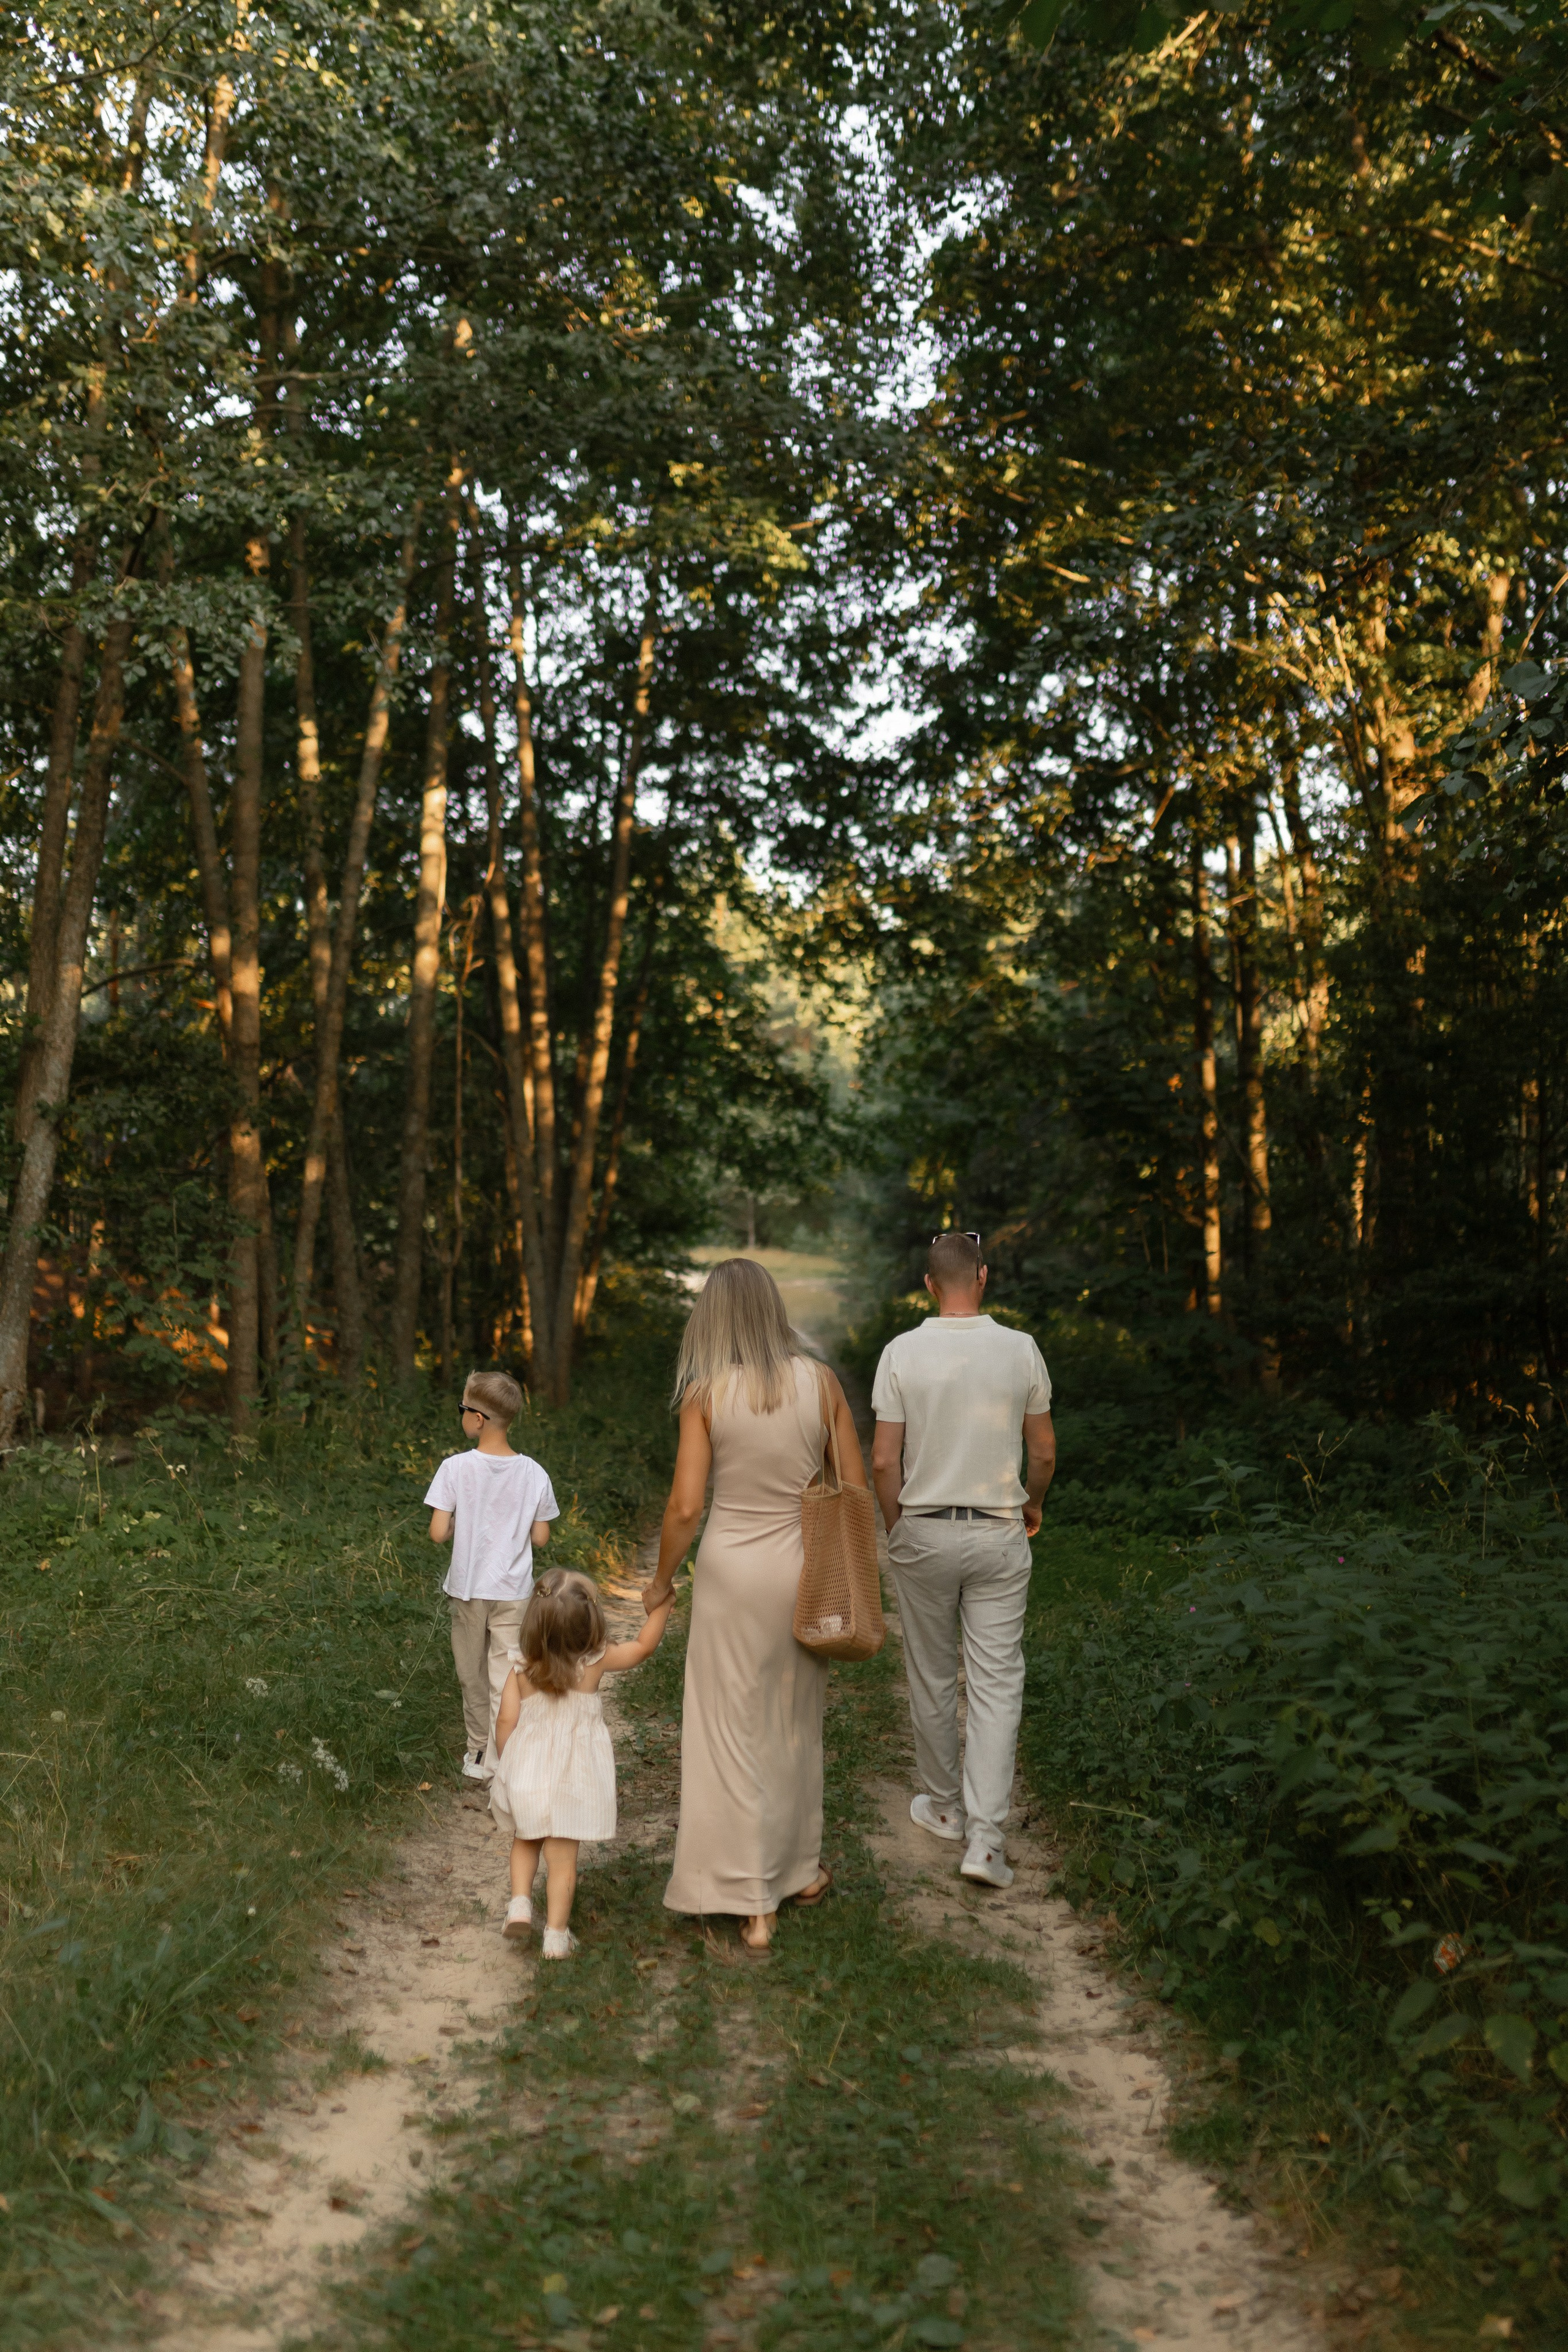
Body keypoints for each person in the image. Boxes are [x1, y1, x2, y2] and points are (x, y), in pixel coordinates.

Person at [643, 1257, 863, 1953]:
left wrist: (660, 1579)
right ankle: (796, 1874)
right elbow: (851, 1488)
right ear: (773, 1310)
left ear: (712, 1316)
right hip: (800, 1573)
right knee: (792, 1724)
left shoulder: (705, 1393)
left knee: (728, 1729)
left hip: (731, 1575)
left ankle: (747, 1902)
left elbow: (685, 1507)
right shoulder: (820, 1383)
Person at [870, 1232, 1055, 1890]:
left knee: (930, 1673)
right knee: (997, 1682)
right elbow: (1043, 1452)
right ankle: (985, 1840)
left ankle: (943, 1807)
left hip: (922, 1529)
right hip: (998, 1530)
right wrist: (1031, 1507)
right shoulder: (1020, 1350)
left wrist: (898, 1527)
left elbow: (884, 1460)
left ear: (927, 1285)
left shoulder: (900, 1352)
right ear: (982, 1277)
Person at [491, 1568, 673, 1958]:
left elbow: (506, 1720)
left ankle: (520, 1903)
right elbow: (642, 1648)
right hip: (574, 1776)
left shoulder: (521, 1668)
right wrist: (663, 1608)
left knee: (525, 1839)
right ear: (590, 1626)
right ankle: (556, 1936)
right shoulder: (596, 1661)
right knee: (562, 1860)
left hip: (528, 1772)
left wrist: (510, 1764)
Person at [425, 1368, 558, 1782]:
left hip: (468, 1589)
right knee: (507, 1674)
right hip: (515, 1591)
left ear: (477, 1419)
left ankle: (479, 1753)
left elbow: (437, 1533)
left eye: (462, 1408)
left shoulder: (455, 1469)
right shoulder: (534, 1472)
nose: (460, 1414)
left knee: (471, 1675)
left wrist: (456, 1524)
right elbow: (540, 1537)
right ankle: (508, 1754)